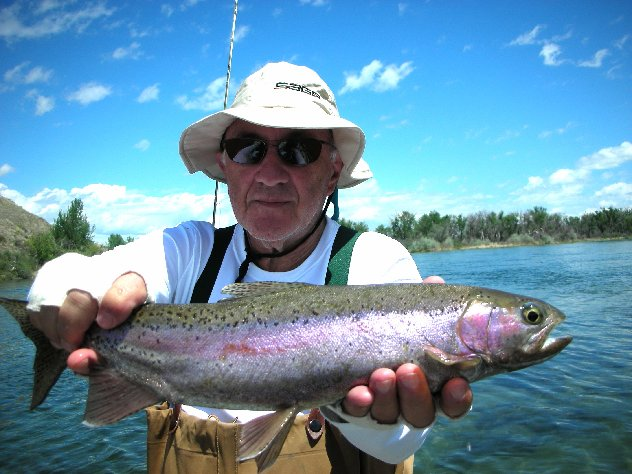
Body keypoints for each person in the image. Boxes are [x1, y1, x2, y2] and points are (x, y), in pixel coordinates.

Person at [27, 62, 472, 473]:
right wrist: (65, 300)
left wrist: (373, 420)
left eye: (298, 150)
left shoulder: (375, 262)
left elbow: (397, 445)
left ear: (333, 171)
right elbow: (75, 274)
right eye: (248, 148)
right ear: (224, 165)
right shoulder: (191, 251)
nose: (271, 173)